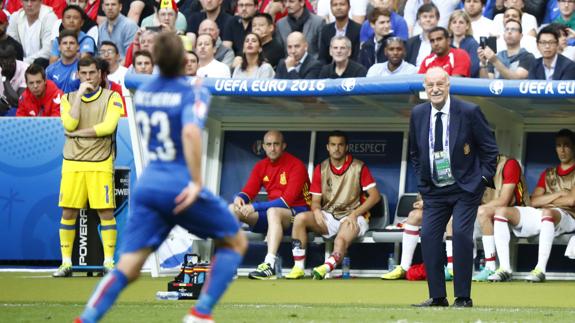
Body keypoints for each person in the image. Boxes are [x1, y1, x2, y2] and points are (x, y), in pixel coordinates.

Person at [75, 32, 247, 323]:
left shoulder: (145, 92)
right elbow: (191, 132)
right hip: (177, 184)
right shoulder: (194, 89)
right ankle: (200, 313)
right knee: (235, 241)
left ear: (155, 61)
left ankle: (87, 318)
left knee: (128, 267)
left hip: (149, 185)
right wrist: (195, 181)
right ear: (183, 60)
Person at [408, 67, 498, 307]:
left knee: (459, 234)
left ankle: (463, 297)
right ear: (425, 88)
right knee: (427, 236)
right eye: (430, 85)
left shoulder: (469, 111)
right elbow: (415, 153)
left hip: (465, 188)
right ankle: (438, 297)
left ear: (448, 85)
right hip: (434, 190)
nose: (435, 89)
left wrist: (481, 181)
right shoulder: (418, 113)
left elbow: (490, 150)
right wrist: (423, 183)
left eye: (439, 84)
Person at [52, 56, 124, 278]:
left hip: (100, 162)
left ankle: (109, 262)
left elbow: (108, 126)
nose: (88, 78)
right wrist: (79, 98)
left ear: (100, 74)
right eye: (83, 74)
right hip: (72, 162)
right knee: (68, 211)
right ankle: (66, 263)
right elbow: (70, 123)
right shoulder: (67, 98)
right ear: (78, 75)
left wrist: (77, 134)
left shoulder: (113, 97)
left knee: (106, 212)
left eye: (92, 73)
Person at [286, 131, 380, 280]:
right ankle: (298, 267)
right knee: (300, 219)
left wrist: (355, 214)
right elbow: (315, 200)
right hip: (329, 215)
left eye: (340, 145)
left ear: (346, 147)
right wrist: (316, 211)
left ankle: (326, 266)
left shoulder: (358, 167)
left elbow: (375, 196)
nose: (337, 148)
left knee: (340, 240)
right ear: (327, 147)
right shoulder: (321, 168)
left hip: (353, 215)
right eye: (333, 145)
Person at [489, 129, 575, 283]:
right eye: (558, 145)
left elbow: (571, 201)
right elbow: (533, 200)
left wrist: (548, 201)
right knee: (501, 211)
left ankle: (540, 270)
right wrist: (559, 194)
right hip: (544, 215)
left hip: (569, 217)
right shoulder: (549, 173)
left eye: (566, 145)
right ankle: (504, 268)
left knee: (547, 212)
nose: (562, 149)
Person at [229, 130, 311, 280]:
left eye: (276, 144)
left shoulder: (296, 165)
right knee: (232, 209)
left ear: (283, 146)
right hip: (272, 215)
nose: (272, 148)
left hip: (297, 214)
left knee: (273, 211)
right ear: (264, 146)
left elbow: (286, 201)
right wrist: (240, 198)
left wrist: (255, 207)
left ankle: (269, 264)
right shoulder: (261, 166)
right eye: (269, 144)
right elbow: (249, 191)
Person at [471, 154, 530, 281]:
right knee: (457, 217)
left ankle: (490, 266)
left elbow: (504, 201)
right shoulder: (473, 165)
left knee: (483, 212)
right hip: (489, 213)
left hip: (518, 213)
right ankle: (454, 267)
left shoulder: (509, 164)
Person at [7, 0, 58, 66]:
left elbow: (48, 50)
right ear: (21, 2)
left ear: (41, 1)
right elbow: (11, 45)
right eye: (26, 1)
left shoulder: (50, 17)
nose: (29, 4)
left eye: (33, 1)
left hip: (41, 66)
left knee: (41, 61)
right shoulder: (15, 17)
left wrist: (23, 62)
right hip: (18, 65)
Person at [318, 0, 361, 64]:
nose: (338, 7)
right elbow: (322, 58)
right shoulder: (326, 30)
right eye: (335, 5)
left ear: (349, 7)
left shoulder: (358, 29)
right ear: (331, 8)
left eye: (342, 4)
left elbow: (357, 57)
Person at [405, 3, 439, 67]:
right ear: (418, 21)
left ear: (437, 20)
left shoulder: (443, 43)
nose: (428, 20)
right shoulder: (410, 43)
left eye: (431, 17)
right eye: (424, 17)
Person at [447, 10, 480, 78]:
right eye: (454, 22)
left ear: (467, 26)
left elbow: (473, 69)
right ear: (450, 26)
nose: (457, 25)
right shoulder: (446, 44)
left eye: (461, 22)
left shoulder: (473, 44)